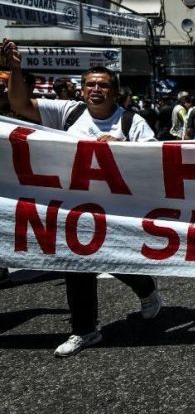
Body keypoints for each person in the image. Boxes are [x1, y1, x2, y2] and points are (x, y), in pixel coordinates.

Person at [2, 38, 163, 357]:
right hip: (73, 210)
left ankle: (146, 289)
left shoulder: (131, 122)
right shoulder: (67, 112)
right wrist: (15, 68)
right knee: (76, 263)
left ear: (115, 92)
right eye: (89, 84)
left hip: (117, 211)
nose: (95, 90)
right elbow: (20, 105)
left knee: (115, 259)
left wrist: (121, 147)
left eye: (103, 85)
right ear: (82, 89)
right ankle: (85, 330)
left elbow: (155, 159)